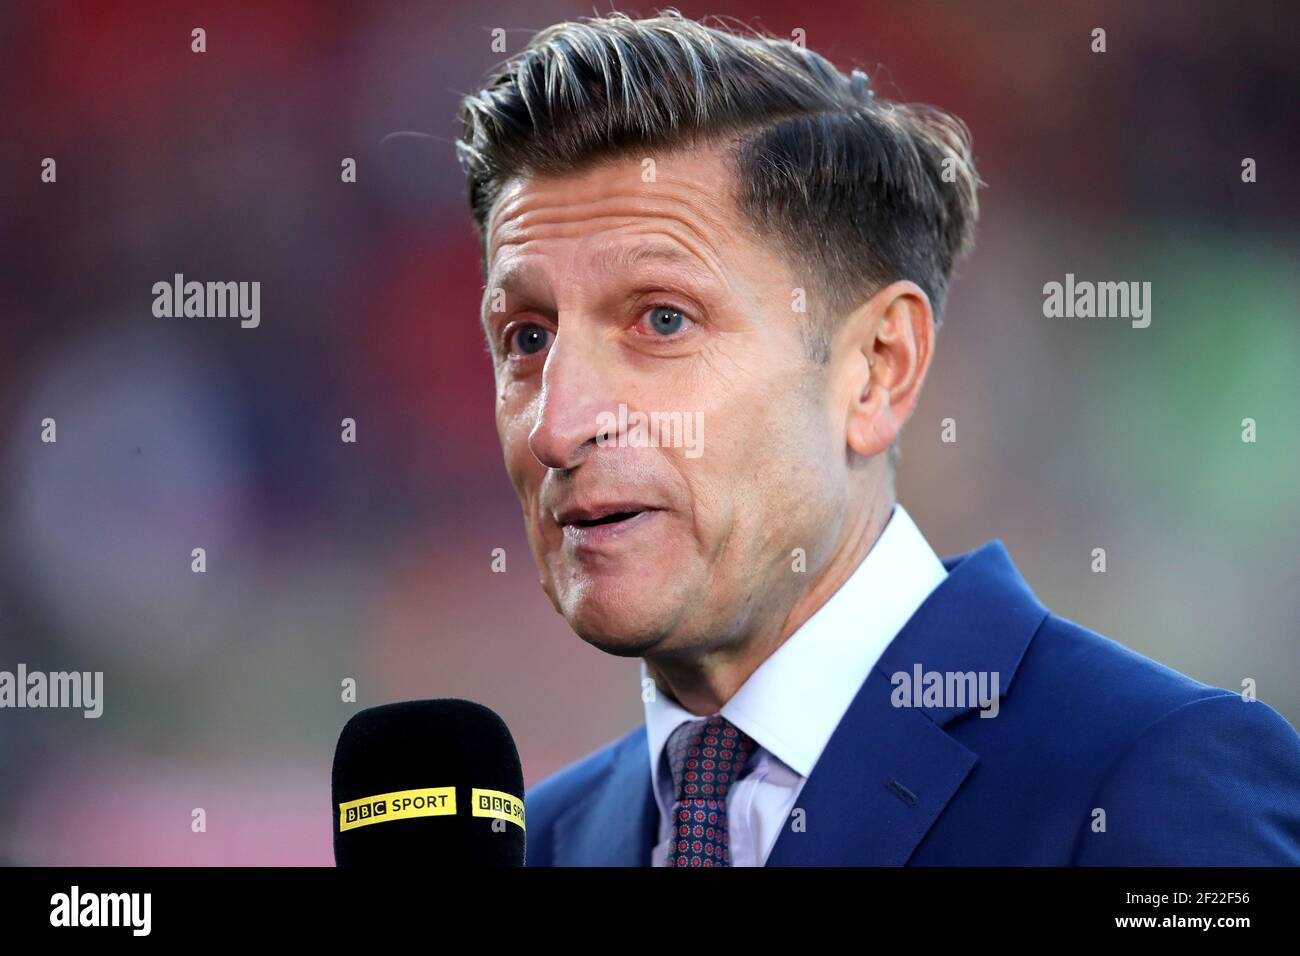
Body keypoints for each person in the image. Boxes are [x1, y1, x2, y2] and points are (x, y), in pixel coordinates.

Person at [455, 11, 1300, 866]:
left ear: (877, 369)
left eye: (663, 320)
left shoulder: (1154, 780)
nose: (558, 426)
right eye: (526, 337)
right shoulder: (542, 841)